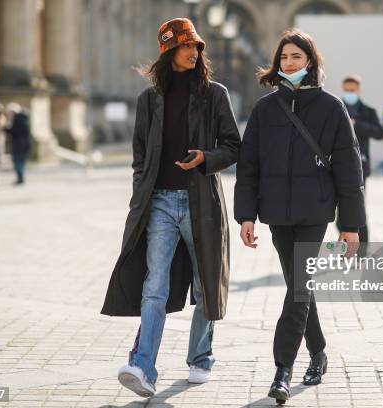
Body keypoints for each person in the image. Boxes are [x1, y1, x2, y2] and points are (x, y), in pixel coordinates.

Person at [100, 18, 240, 398]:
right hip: (159, 202)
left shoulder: (215, 95)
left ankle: (200, 358)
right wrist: (140, 198)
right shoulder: (149, 99)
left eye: (197, 47)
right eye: (186, 46)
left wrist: (205, 158)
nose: (194, 52)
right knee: (154, 285)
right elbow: (140, 157)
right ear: (168, 51)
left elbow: (233, 146)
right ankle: (142, 366)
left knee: (205, 281)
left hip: (200, 202)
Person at [234, 29, 366, 404]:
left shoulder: (331, 107)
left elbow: (349, 170)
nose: (289, 63)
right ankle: (319, 353)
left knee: (297, 287)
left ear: (310, 62)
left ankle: (282, 370)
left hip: (314, 211)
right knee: (299, 285)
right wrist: (246, 215)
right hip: (276, 212)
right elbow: (249, 166)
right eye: (284, 58)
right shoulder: (264, 109)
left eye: (296, 57)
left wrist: (351, 226)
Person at [337, 75, 383, 243]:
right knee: (339, 215)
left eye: (352, 90)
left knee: (357, 210)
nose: (349, 93)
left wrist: (357, 125)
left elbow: (380, 133)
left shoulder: (368, 111)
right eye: (346, 90)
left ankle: (362, 250)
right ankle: (346, 249)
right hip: (336, 166)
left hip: (360, 166)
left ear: (358, 90)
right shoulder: (336, 108)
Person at [5, 103, 31, 185]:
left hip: (18, 144)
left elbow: (14, 132)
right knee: (21, 161)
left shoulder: (17, 119)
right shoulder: (24, 118)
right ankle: (21, 178)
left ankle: (20, 178)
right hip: (25, 143)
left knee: (17, 161)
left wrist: (5, 129)